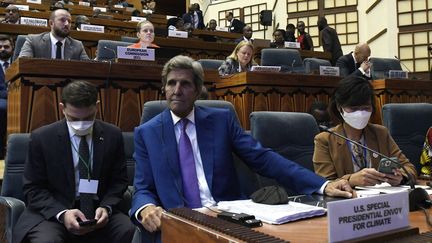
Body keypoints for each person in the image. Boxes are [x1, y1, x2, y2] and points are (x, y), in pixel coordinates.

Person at [130, 55, 354, 242]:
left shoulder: (221, 120)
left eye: (185, 84)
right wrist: (145, 208)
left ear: (198, 90)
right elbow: (142, 188)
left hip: (227, 221)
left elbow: (263, 158)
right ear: (163, 88)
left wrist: (322, 185)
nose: (177, 90)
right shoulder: (147, 132)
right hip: (177, 225)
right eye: (171, 83)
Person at [13, 80, 135, 243]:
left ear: (97, 106)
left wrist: (106, 207)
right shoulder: (42, 138)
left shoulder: (112, 135)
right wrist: (62, 214)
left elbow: (119, 181)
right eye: (73, 118)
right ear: (62, 108)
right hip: (53, 211)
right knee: (47, 241)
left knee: (130, 231)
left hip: (98, 208)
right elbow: (33, 188)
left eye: (88, 117)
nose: (81, 124)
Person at [313, 76, 417, 187]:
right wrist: (351, 180)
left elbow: (409, 169)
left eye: (366, 108)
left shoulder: (381, 133)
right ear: (339, 108)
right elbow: (324, 183)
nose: (361, 113)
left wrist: (401, 177)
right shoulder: (324, 140)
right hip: (347, 201)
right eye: (353, 109)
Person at [19, 9, 90, 60]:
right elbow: (23, 63)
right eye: (62, 20)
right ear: (51, 23)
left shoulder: (77, 45)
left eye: (69, 21)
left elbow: (88, 68)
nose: (67, 24)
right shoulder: (33, 41)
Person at [0, 34, 13, 159]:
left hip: (20, 96)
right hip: (2, 99)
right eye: (0, 47)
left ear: (12, 48)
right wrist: (8, 93)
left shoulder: (18, 63)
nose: (2, 49)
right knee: (2, 107)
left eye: (6, 46)